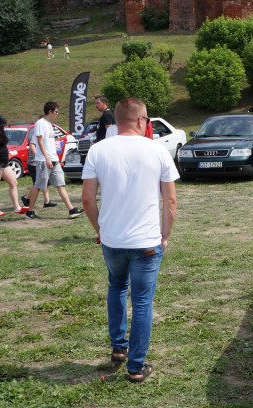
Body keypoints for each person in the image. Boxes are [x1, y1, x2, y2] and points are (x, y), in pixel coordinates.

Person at [81, 97, 178, 383]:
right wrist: (166, 235)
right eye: (147, 119)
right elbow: (170, 200)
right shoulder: (157, 150)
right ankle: (136, 367)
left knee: (116, 287)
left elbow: (87, 199)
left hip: (112, 239)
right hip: (147, 241)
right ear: (140, 120)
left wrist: (100, 229)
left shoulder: (97, 150)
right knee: (143, 301)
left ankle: (119, 349)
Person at [24, 101, 83, 220]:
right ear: (50, 111)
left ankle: (71, 210)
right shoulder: (40, 123)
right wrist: (47, 158)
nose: (57, 114)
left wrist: (55, 158)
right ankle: (30, 212)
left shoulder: (49, 124)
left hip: (54, 160)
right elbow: (39, 142)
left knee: (61, 185)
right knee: (38, 186)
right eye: (56, 111)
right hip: (44, 161)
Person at [0, 115, 27, 215]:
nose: (4, 126)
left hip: (4, 163)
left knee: (14, 183)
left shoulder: (0, 132)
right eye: (3, 124)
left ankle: (17, 207)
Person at [21, 118, 54, 209]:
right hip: (34, 163)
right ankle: (27, 198)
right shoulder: (35, 134)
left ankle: (46, 201)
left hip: (39, 162)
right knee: (38, 183)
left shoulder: (42, 133)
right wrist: (39, 156)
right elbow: (31, 146)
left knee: (44, 182)